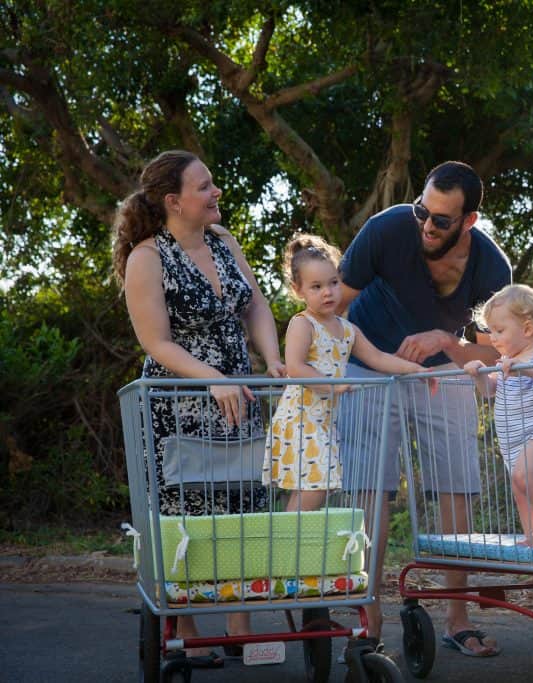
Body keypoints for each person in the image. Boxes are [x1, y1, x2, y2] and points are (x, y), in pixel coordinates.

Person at [113, 150, 286, 667]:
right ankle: (187, 629)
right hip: (177, 401)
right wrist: (214, 380)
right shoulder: (147, 257)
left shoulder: (224, 241)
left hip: (239, 396)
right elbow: (156, 342)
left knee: (243, 502)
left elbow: (254, 303)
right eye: (204, 187)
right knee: (183, 511)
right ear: (174, 201)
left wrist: (272, 359)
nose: (215, 193)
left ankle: (241, 629)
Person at [336, 161, 512, 656]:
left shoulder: (492, 270)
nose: (426, 226)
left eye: (441, 221)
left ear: (469, 222)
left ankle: (457, 617)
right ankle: (368, 618)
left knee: (457, 484)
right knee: (372, 489)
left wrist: (447, 343)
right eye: (422, 212)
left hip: (441, 371)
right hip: (367, 368)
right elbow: (332, 312)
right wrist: (330, 374)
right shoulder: (387, 229)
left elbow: (496, 353)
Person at [262, 234, 432, 511]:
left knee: (317, 485)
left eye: (333, 283)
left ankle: (291, 546)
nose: (327, 292)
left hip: (324, 421)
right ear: (298, 290)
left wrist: (416, 369)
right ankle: (287, 546)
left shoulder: (347, 328)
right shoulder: (303, 324)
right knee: (316, 486)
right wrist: (332, 385)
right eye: (316, 287)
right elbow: (294, 367)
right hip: (300, 418)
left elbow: (378, 357)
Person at [464, 284, 533, 547]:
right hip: (513, 444)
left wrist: (524, 369)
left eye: (499, 331)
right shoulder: (504, 364)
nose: (493, 338)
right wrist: (479, 374)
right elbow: (488, 391)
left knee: (523, 476)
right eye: (491, 331)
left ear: (528, 329)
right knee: (519, 487)